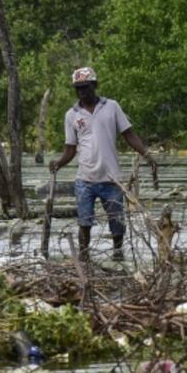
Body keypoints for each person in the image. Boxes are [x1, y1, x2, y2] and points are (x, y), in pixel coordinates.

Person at [49, 67, 157, 258]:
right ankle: (84, 257)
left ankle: (118, 254)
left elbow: (128, 134)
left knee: (117, 222)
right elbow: (70, 149)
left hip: (111, 178)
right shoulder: (71, 115)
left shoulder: (111, 107)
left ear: (94, 85)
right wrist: (58, 163)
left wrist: (147, 155)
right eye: (78, 88)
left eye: (86, 87)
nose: (82, 92)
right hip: (85, 179)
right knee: (85, 222)